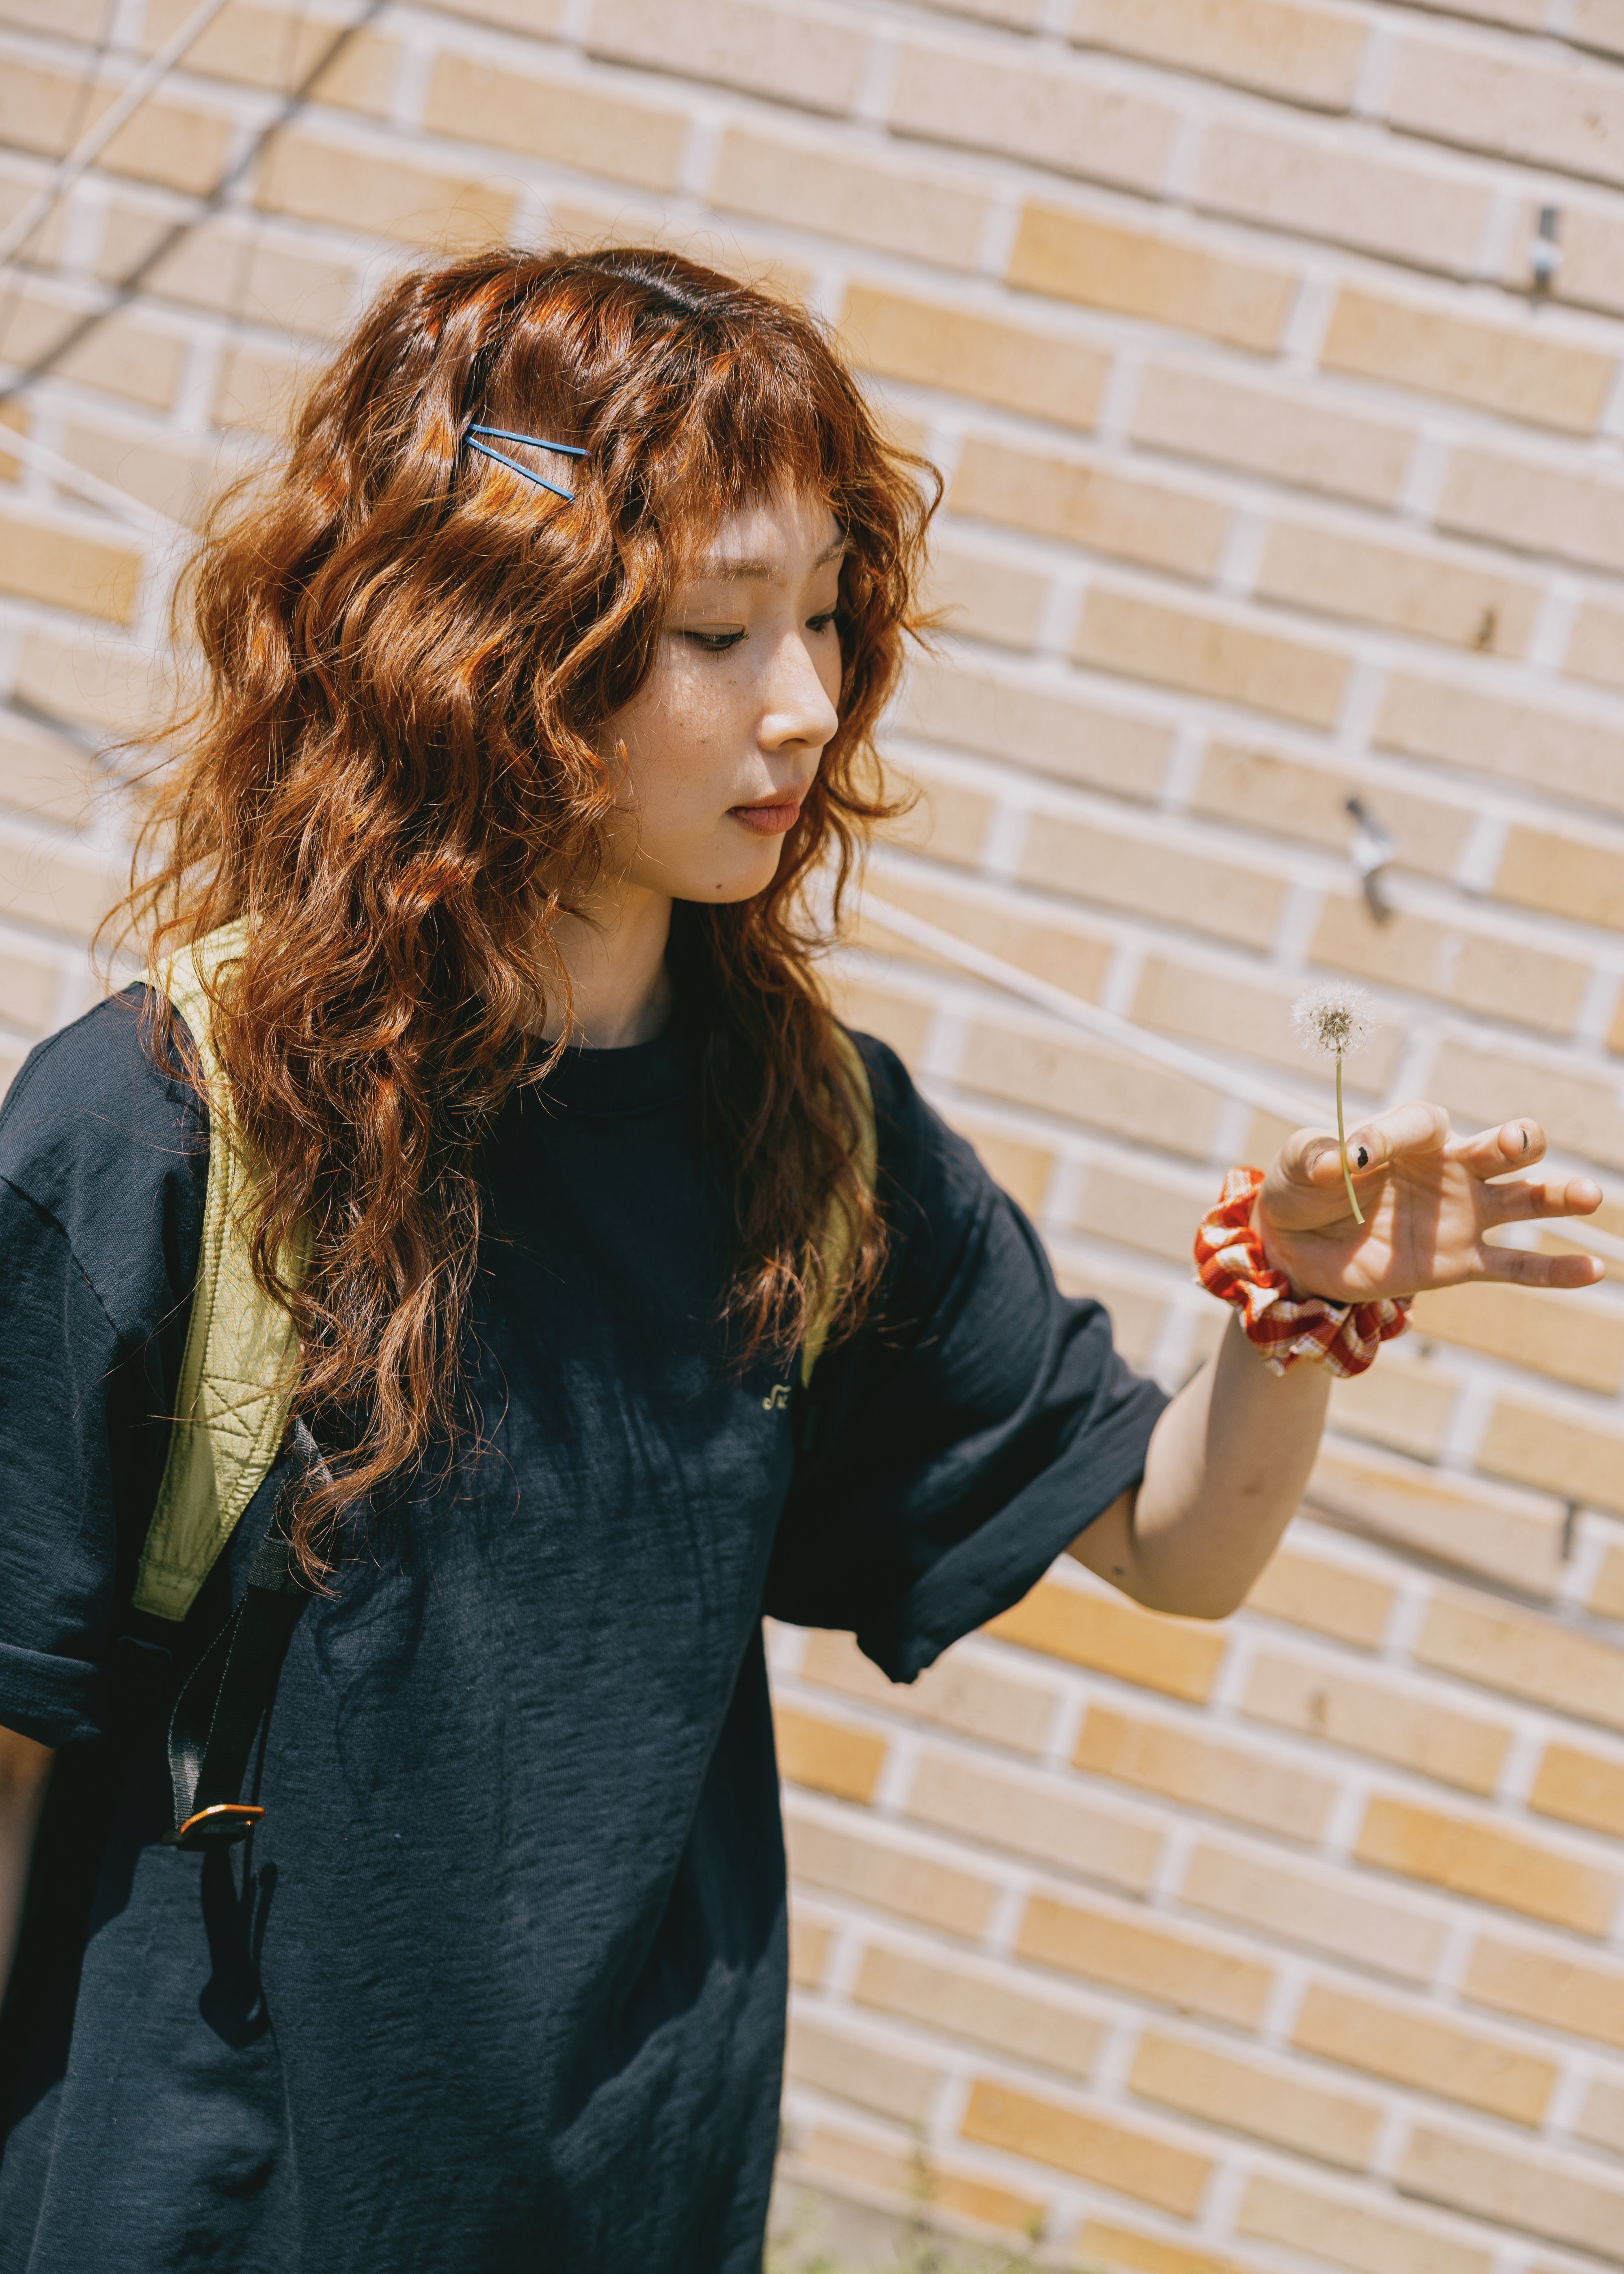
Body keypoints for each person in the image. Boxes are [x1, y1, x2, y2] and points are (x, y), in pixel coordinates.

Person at [0, 247, 1602, 2274]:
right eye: (713, 628)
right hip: (201, 2214)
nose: (807, 702)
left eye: (831, 611)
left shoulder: (813, 1131)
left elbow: (1175, 1547)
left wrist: (1287, 1305)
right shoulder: (165, 1126)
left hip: (643, 2212)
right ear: (480, 646)